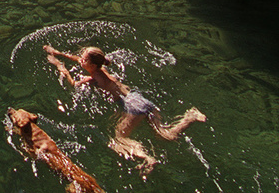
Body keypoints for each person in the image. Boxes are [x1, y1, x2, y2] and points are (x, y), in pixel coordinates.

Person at [44, 44, 207, 176]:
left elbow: (72, 84)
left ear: (92, 65)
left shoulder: (94, 78)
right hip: (140, 99)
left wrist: (58, 64)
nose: (80, 60)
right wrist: (58, 52)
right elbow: (78, 59)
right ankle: (190, 117)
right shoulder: (102, 69)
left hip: (132, 107)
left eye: (83, 59)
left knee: (117, 140)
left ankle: (146, 157)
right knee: (165, 135)